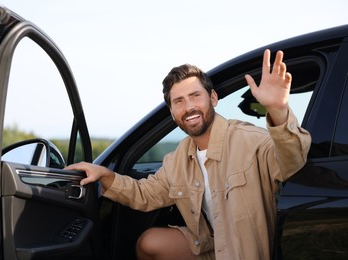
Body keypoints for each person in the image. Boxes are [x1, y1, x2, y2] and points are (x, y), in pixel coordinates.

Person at [65, 49, 311, 259]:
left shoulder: (251, 140)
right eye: (179, 101)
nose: (189, 106)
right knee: (149, 243)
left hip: (245, 252)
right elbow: (146, 194)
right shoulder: (179, 157)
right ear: (172, 112)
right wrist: (105, 174)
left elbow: (291, 160)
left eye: (195, 96)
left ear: (213, 98)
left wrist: (278, 110)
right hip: (213, 247)